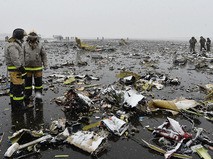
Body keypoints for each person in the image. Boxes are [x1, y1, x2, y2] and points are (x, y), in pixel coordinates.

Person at [4, 28, 27, 112]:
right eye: (22, 36)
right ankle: (19, 108)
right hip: (16, 71)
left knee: (14, 89)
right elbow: (15, 59)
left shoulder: (13, 44)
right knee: (18, 89)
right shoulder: (13, 45)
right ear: (19, 36)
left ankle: (15, 107)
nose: (23, 38)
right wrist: (23, 70)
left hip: (14, 71)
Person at [23, 31, 47, 106]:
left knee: (38, 85)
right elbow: (21, 55)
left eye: (34, 36)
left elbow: (44, 55)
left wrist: (45, 65)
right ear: (28, 37)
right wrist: (21, 66)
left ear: (36, 37)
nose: (32, 37)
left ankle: (38, 98)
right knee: (27, 85)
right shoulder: (24, 44)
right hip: (27, 68)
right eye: (31, 36)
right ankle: (27, 97)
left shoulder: (40, 44)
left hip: (38, 68)